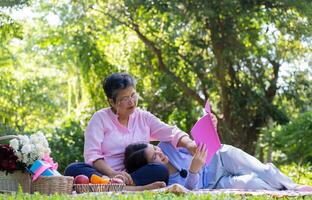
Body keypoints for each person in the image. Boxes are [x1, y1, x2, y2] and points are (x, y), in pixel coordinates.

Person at [64, 72, 197, 187]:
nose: (132, 102)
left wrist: (190, 144)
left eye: (133, 95)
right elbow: (92, 156)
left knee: (160, 170)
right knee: (73, 169)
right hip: (105, 175)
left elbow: (171, 133)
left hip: (134, 176)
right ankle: (122, 187)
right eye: (125, 99)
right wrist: (113, 174)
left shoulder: (143, 117)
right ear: (111, 102)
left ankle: (124, 186)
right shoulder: (100, 119)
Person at [124, 142, 312, 191]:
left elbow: (195, 142)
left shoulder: (168, 144)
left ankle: (295, 188)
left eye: (155, 148)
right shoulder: (165, 182)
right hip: (215, 184)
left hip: (220, 157)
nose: (159, 153)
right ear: (148, 166)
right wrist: (193, 171)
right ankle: (285, 193)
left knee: (264, 171)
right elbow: (191, 191)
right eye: (154, 157)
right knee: (252, 184)